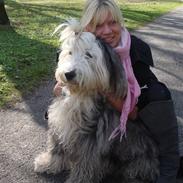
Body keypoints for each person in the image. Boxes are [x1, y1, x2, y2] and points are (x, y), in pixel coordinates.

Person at [54, 0, 180, 182]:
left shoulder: (135, 48)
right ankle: (64, 155)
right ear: (87, 27)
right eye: (98, 25)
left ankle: (169, 163)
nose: (106, 31)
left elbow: (137, 108)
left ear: (120, 23)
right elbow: (58, 85)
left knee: (158, 93)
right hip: (92, 108)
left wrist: (105, 89)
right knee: (60, 111)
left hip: (126, 108)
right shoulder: (77, 43)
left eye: (112, 23)